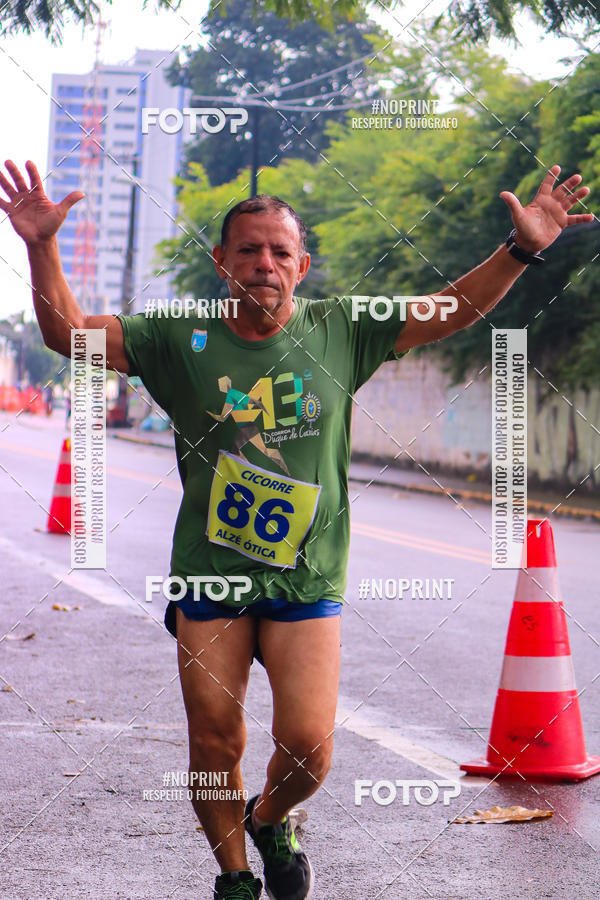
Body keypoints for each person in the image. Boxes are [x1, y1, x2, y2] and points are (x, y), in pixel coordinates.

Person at [0, 158, 592, 900]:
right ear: (221, 261)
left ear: (302, 265)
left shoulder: (343, 327)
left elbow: (453, 309)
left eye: (280, 251)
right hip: (211, 578)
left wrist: (522, 249)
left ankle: (271, 816)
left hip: (305, 577)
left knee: (310, 748)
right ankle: (236, 878)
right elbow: (70, 336)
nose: (264, 263)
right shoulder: (175, 335)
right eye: (248, 248)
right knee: (214, 741)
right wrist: (39, 246)